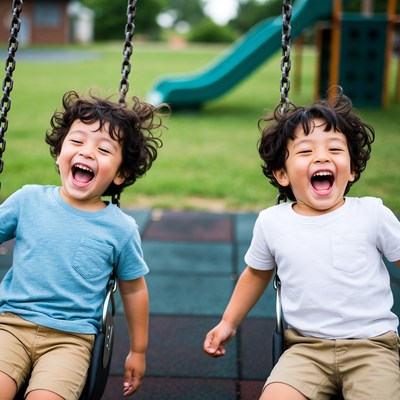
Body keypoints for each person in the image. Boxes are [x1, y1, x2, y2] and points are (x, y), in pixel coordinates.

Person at [203, 91, 400, 400]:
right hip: (305, 349)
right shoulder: (272, 222)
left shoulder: (373, 214)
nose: (322, 157)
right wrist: (229, 322)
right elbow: (256, 275)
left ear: (352, 170)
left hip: (372, 347)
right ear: (282, 174)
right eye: (305, 152)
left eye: (335, 149)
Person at [0, 90, 165, 400]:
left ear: (121, 174)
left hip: (70, 340)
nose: (87, 152)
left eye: (104, 149)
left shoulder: (120, 229)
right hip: (9, 326)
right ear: (60, 152)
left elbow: (134, 289)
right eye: (76, 142)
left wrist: (138, 351)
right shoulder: (28, 200)